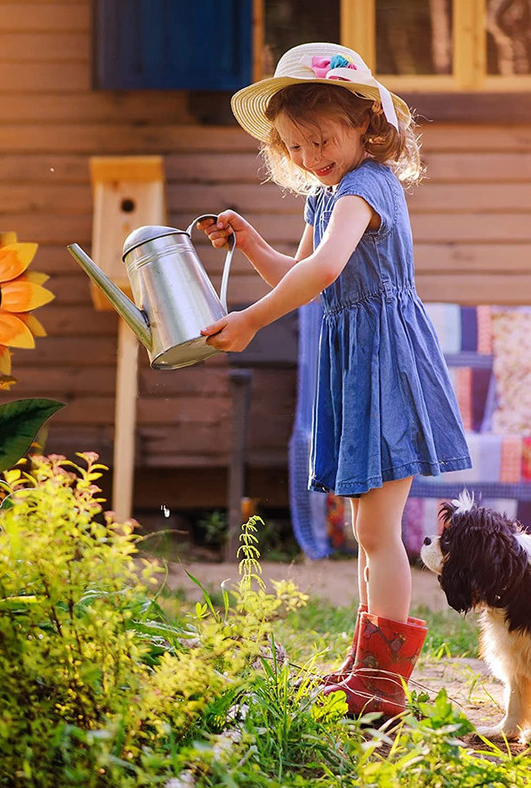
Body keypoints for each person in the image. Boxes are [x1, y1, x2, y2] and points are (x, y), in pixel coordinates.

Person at [198, 42, 471, 719]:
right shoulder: (327, 197)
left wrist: (252, 320)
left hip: (387, 365)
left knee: (378, 531)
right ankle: (364, 665)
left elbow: (322, 271)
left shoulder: (367, 186)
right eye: (294, 146)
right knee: (362, 527)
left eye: (321, 139)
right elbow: (304, 273)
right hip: (356, 367)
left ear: (364, 124)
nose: (310, 155)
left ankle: (384, 685)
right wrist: (250, 242)